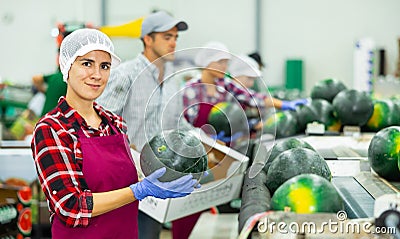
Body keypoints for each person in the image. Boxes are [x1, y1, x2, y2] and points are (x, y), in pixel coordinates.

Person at [31, 28, 199, 239]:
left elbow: (126, 176)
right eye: (86, 64)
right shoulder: (52, 129)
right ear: (67, 66)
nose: (97, 75)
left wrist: (168, 173)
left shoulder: (114, 123)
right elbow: (70, 206)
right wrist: (138, 191)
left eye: (105, 66)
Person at [96, 11, 192, 239]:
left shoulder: (173, 80)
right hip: (125, 183)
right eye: (167, 37)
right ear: (148, 39)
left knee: (149, 234)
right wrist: (133, 157)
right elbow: (99, 127)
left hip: (158, 181)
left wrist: (206, 141)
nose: (173, 43)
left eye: (176, 37)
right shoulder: (125, 75)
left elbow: (179, 124)